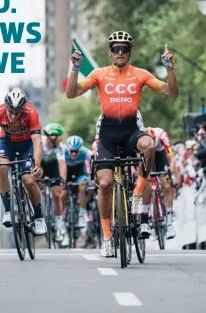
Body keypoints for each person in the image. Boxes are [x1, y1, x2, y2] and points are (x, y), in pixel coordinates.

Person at [65, 31, 179, 257]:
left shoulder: (140, 74)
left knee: (148, 144)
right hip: (108, 134)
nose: (120, 52)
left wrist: (169, 69)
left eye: (124, 49)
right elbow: (72, 93)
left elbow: (171, 92)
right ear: (110, 52)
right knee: (105, 184)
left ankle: (137, 192)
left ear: (129, 52)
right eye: (116, 48)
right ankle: (107, 237)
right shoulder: (99, 74)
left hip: (130, 131)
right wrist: (75, 69)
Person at [0, 87, 46, 235]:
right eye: (11, 112)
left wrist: (37, 164)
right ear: (5, 107)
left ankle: (39, 217)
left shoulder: (31, 113)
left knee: (28, 180)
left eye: (17, 112)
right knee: (1, 167)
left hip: (27, 145)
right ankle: (8, 210)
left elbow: (37, 141)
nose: (14, 116)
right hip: (6, 143)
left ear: (23, 108)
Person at [145, 127, 176, 239]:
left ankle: (169, 217)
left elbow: (170, 153)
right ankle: (150, 219)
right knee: (146, 185)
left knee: (166, 185)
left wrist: (170, 170)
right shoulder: (141, 138)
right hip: (147, 155)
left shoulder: (162, 135)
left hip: (160, 154)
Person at [39, 123, 67, 242]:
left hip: (52, 167)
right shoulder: (40, 142)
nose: (61, 138)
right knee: (36, 176)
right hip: (40, 166)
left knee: (57, 194)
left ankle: (59, 224)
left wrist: (63, 180)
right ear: (51, 137)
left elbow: (62, 165)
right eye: (58, 136)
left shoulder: (60, 147)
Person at [63, 135, 93, 246]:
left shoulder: (86, 153)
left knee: (83, 185)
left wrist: (92, 179)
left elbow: (92, 166)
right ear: (68, 149)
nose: (74, 154)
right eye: (72, 151)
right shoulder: (63, 152)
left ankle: (81, 213)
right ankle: (62, 220)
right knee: (62, 194)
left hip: (81, 173)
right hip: (67, 173)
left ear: (80, 149)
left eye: (76, 151)